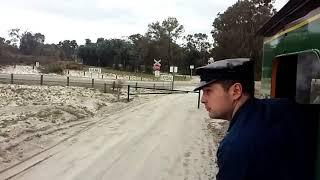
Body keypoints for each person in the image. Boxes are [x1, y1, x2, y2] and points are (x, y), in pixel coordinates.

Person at [194, 58, 317, 180]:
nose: (203, 99)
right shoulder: (284, 106)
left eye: (208, 91)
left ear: (236, 91)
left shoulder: (233, 147)